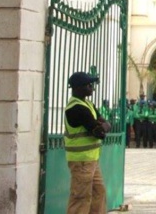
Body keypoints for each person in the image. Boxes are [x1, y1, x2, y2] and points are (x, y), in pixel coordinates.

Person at [64, 71, 109, 214]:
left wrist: (104, 125)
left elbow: (104, 123)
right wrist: (105, 126)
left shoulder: (87, 104)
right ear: (77, 88)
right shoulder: (76, 108)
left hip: (92, 159)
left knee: (99, 192)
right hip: (81, 161)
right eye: (88, 84)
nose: (91, 86)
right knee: (81, 197)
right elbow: (99, 132)